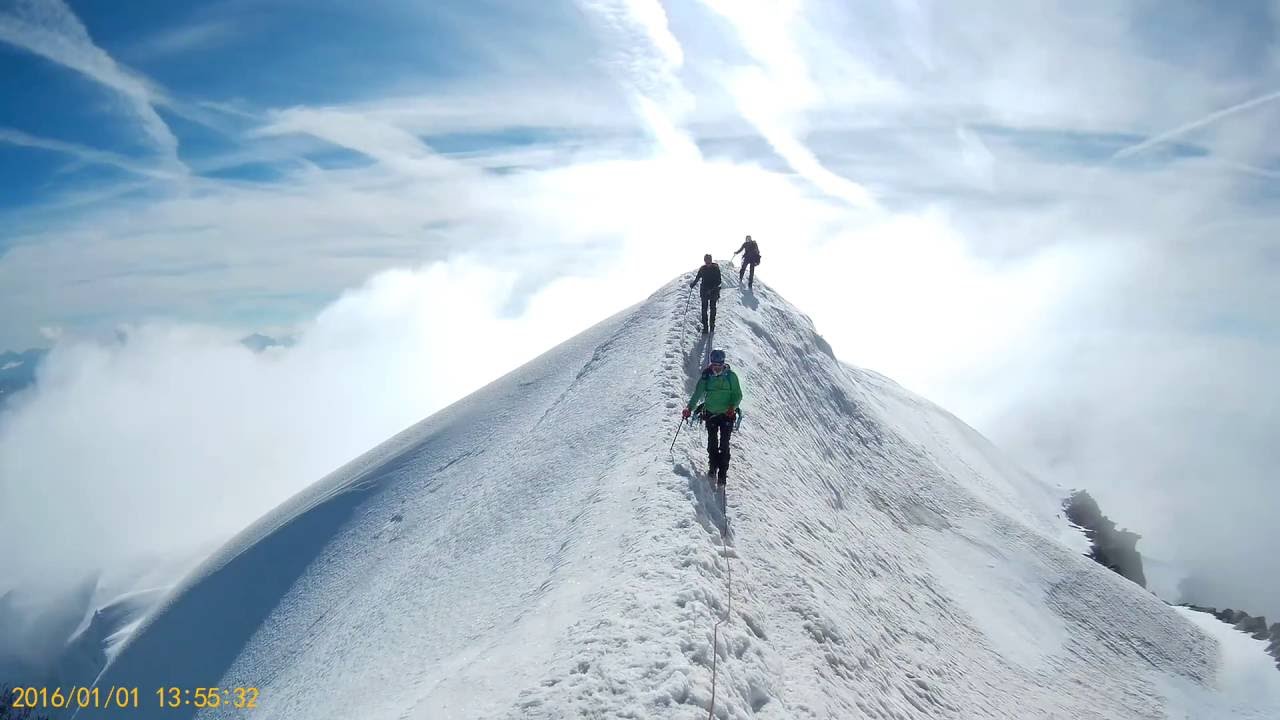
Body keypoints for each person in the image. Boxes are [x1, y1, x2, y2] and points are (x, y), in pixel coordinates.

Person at [681, 348, 742, 486]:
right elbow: (698, 393)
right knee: (712, 443)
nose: (716, 368)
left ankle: (722, 474)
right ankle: (713, 467)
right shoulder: (706, 376)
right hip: (710, 413)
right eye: (714, 365)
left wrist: (733, 406)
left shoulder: (731, 376)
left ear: (723, 364)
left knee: (724, 444)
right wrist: (689, 408)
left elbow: (737, 394)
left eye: (719, 366)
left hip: (727, 414)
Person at [689, 254, 722, 334]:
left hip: (713, 291)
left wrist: (712, 289)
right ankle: (705, 327)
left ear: (711, 260)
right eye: (706, 261)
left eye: (709, 261)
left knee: (712, 308)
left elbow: (719, 281)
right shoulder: (702, 269)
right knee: (704, 309)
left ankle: (712, 325)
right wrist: (693, 284)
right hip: (704, 290)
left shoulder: (715, 268)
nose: (708, 263)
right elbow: (698, 277)